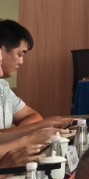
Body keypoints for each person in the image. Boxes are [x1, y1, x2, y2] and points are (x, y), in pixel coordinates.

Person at [0, 20, 73, 164]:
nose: (21, 62)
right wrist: (29, 137)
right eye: (20, 54)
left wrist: (41, 127)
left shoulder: (2, 86)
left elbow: (32, 116)